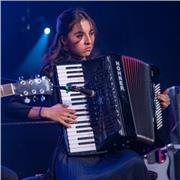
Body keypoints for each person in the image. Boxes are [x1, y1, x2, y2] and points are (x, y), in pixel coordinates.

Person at [9, 8, 170, 180]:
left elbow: (129, 113)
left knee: (135, 163)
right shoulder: (52, 74)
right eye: (79, 35)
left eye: (91, 33)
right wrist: (46, 112)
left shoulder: (105, 68)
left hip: (109, 152)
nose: (88, 41)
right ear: (64, 40)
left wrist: (156, 105)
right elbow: (11, 106)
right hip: (75, 156)